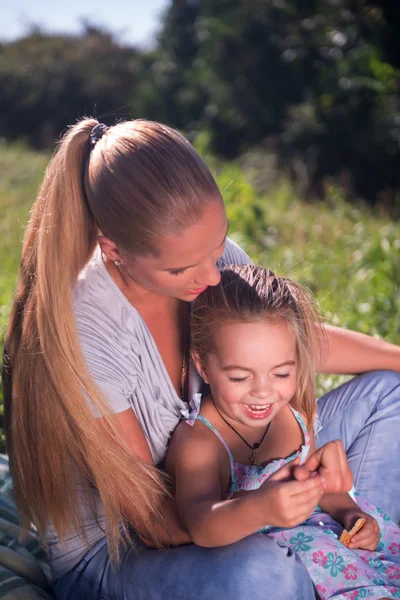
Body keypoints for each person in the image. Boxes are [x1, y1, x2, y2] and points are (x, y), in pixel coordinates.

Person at [2, 117, 400, 600]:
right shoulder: (86, 330)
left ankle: (362, 550)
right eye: (181, 267)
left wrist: (324, 494)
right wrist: (277, 501)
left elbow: (279, 343)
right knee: (262, 573)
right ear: (113, 249)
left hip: (243, 489)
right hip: (130, 550)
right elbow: (157, 521)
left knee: (389, 389)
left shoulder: (208, 260)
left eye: (218, 246)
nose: (213, 276)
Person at [167, 265, 400, 599]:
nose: (263, 393)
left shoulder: (293, 416)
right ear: (203, 366)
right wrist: (261, 507)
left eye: (281, 374)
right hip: (281, 568)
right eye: (239, 377)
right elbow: (199, 523)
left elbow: (319, 489)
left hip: (331, 550)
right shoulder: (200, 441)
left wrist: (351, 513)